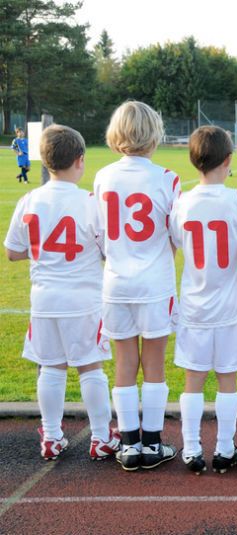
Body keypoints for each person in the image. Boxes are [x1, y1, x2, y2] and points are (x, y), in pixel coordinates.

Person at [4, 125, 120, 462]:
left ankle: (52, 436)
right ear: (80, 161)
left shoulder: (30, 198)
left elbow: (12, 251)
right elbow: (106, 249)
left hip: (44, 300)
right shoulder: (90, 203)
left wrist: (41, 252)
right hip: (82, 299)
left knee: (51, 368)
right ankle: (100, 437)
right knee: (91, 368)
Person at [94, 101, 180, 472]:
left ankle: (128, 443)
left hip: (115, 281)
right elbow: (176, 234)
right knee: (154, 363)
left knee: (125, 363)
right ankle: (152, 441)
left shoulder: (103, 176)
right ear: (153, 133)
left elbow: (99, 233)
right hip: (155, 282)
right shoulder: (166, 177)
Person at [169, 126, 237, 475]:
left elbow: (177, 242)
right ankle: (223, 448)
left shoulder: (182, 203)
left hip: (194, 304)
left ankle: (191, 448)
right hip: (231, 305)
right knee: (227, 379)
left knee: (193, 379)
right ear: (228, 160)